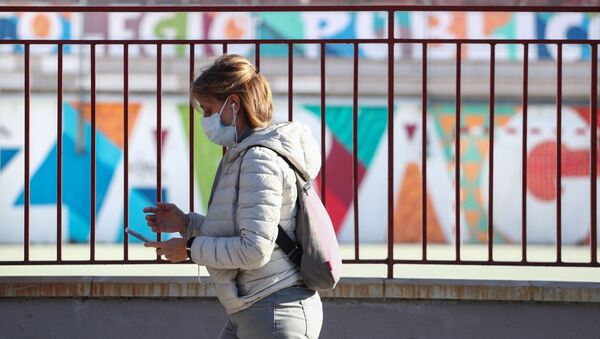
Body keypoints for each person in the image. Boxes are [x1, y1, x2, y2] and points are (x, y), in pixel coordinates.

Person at [143, 54, 323, 339]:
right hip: (253, 308)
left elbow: (253, 250)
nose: (205, 120)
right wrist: (187, 223)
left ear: (234, 104)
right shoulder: (243, 155)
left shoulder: (258, 160)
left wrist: (189, 248)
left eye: (208, 109)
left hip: (274, 311)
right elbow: (241, 231)